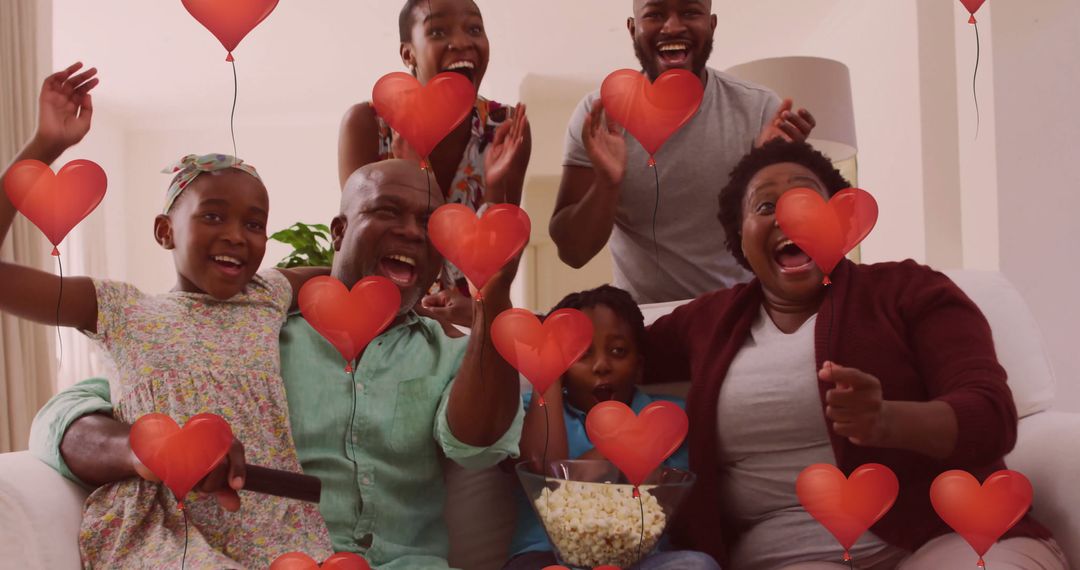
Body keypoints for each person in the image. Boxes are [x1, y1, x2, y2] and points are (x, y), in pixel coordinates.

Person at [29, 159, 526, 570]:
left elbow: (475, 447)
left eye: (429, 222)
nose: (411, 232)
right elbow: (68, 412)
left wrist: (494, 296)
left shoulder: (459, 353)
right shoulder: (254, 334)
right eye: (388, 211)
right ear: (339, 232)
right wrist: (143, 451)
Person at [642, 140, 1068, 569]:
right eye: (766, 206)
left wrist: (888, 421)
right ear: (740, 235)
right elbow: (601, 345)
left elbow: (990, 415)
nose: (789, 216)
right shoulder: (707, 322)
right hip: (788, 557)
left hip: (946, 535)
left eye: (806, 200)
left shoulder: (910, 290)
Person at [1, 63, 333, 568]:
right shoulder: (119, 308)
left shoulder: (267, 294)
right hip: (165, 529)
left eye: (255, 223)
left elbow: (356, 278)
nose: (237, 235)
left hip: (272, 526)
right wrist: (45, 146)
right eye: (213, 215)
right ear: (164, 231)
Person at [549, 0, 817, 304]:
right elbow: (573, 252)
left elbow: (790, 240)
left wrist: (765, 169)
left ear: (712, 25)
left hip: (740, 317)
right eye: (655, 14)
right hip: (646, 325)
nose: (673, 26)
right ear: (632, 28)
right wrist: (607, 183)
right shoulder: (599, 115)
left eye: (690, 12)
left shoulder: (758, 109)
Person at [338, 0, 532, 330]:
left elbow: (498, 276)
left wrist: (498, 193)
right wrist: (411, 172)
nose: (462, 42)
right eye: (438, 31)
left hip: (469, 331)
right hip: (386, 326)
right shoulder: (367, 124)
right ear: (408, 54)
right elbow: (360, 256)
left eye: (474, 29)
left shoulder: (504, 127)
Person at [504, 285, 718, 570]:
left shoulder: (667, 415)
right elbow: (541, 472)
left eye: (618, 351)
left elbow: (663, 501)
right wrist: (549, 375)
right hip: (543, 556)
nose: (601, 365)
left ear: (639, 366)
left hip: (640, 558)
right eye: (581, 354)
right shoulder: (533, 408)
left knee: (697, 565)